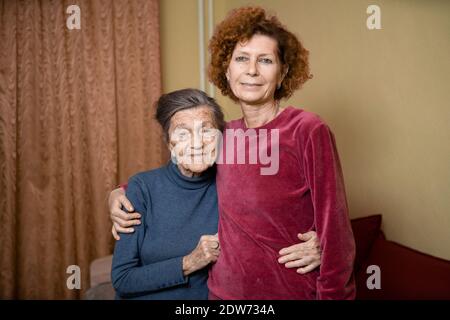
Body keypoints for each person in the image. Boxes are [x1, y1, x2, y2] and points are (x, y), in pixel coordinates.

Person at [111, 6, 355, 299]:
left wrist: (325, 247)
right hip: (223, 296)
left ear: (283, 72)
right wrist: (119, 193)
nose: (252, 70)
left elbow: (336, 230)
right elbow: (182, 170)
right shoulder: (223, 136)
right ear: (227, 71)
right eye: (242, 59)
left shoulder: (306, 130)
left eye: (265, 60)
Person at [111, 89, 224, 299]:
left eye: (206, 131)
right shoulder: (142, 188)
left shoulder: (230, 186)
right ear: (168, 143)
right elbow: (122, 279)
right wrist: (189, 262)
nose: (197, 143)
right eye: (182, 133)